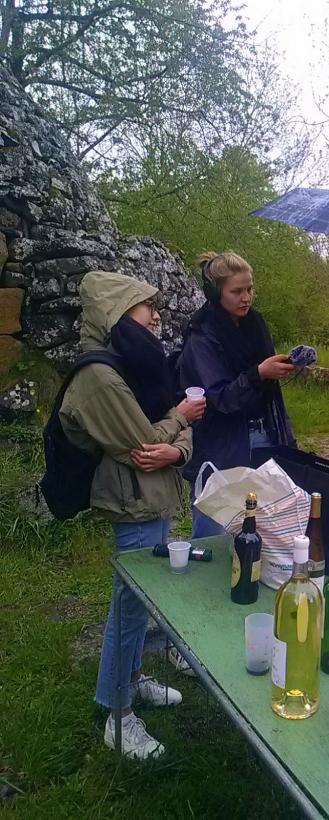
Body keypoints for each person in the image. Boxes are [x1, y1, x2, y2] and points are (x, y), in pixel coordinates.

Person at [59, 271, 206, 759]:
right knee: (128, 607)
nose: (157, 315)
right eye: (147, 308)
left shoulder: (132, 366)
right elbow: (145, 445)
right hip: (132, 501)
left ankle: (135, 676)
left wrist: (177, 444)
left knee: (141, 601)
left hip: (152, 495)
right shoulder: (99, 379)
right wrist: (181, 419)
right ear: (119, 315)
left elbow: (167, 437)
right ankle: (116, 714)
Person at [177, 250, 296, 539]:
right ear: (216, 293)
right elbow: (221, 398)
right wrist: (259, 374)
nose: (246, 297)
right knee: (215, 536)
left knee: (260, 532)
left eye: (250, 289)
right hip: (220, 448)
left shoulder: (254, 325)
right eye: (237, 291)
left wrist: (282, 368)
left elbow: (262, 380)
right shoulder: (201, 337)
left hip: (264, 437)